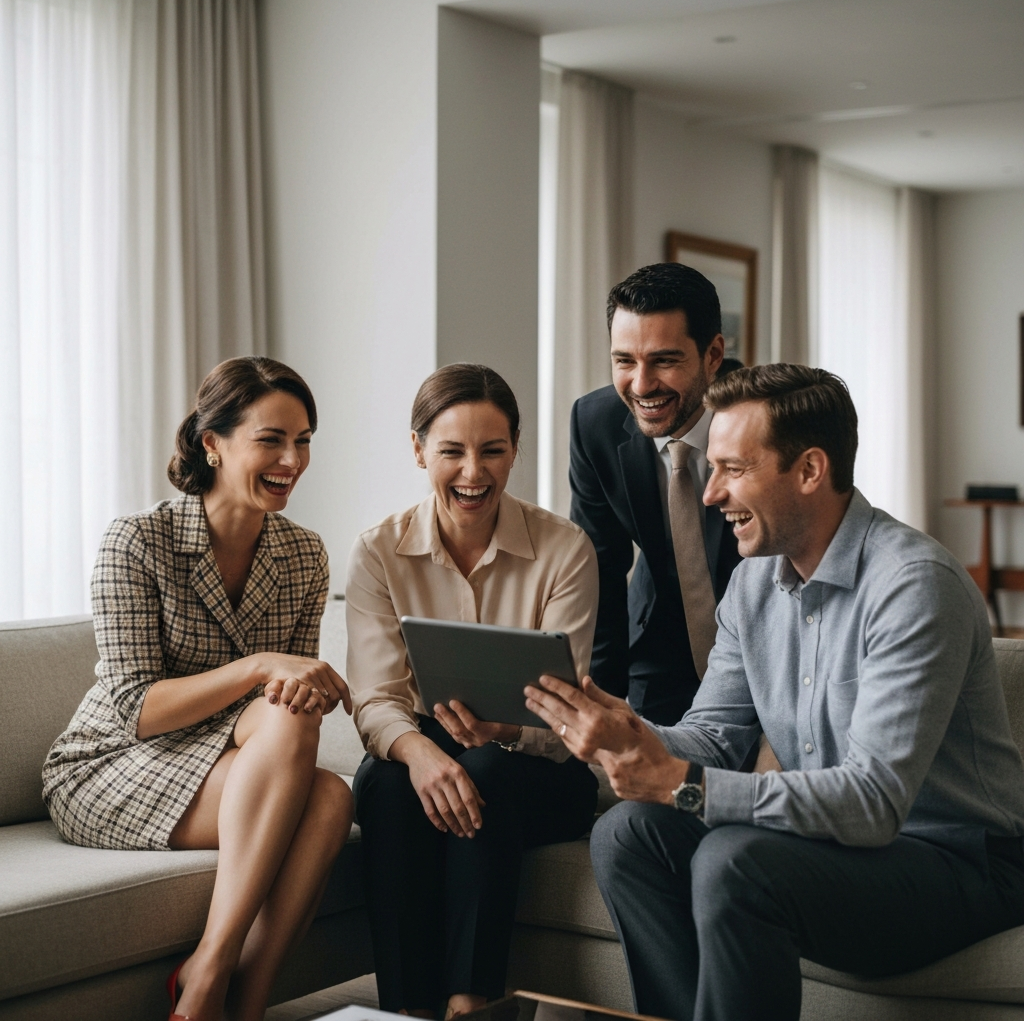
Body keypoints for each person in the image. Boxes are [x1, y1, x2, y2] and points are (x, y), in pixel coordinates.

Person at [526, 364, 1024, 1021]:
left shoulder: (913, 585)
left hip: (954, 861)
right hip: (835, 843)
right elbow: (714, 737)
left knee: (736, 862)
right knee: (627, 834)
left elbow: (873, 803)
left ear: (810, 470)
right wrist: (632, 734)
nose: (709, 494)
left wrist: (685, 783)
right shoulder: (754, 583)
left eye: (733, 469)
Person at [42, 357, 354, 1021]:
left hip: (233, 758)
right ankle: (210, 974)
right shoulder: (135, 541)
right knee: (288, 729)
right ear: (212, 442)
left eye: (303, 441)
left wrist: (292, 684)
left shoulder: (304, 555)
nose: (292, 459)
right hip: (109, 764)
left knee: (331, 796)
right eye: (271, 439)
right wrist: (257, 666)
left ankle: (244, 995)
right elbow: (136, 711)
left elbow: (291, 701)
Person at [347, 363, 599, 1020]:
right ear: (418, 449)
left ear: (515, 447)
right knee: (383, 782)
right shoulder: (379, 551)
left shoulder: (565, 550)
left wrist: (505, 731)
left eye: (492, 451)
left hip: (542, 770)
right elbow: (374, 699)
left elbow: (569, 717)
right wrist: (421, 755)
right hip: (427, 756)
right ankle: (405, 1012)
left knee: (484, 766)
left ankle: (469, 1003)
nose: (472, 473)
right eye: (451, 451)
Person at [569, 262, 742, 725]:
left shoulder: (764, 416)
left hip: (761, 648)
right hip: (656, 643)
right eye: (624, 360)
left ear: (713, 354)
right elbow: (598, 569)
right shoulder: (595, 425)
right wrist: (599, 703)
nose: (641, 385)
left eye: (664, 360)